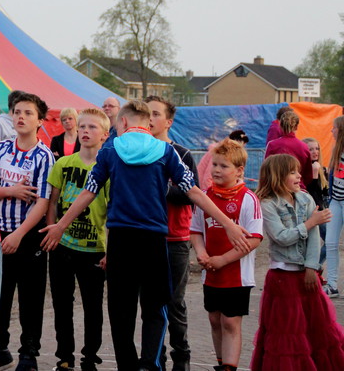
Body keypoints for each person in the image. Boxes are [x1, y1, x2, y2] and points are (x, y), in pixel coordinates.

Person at [40, 99, 251, 371]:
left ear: (123, 122)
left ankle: (127, 366)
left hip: (120, 241)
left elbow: (88, 192)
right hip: (153, 241)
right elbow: (194, 192)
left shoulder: (110, 150)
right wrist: (228, 223)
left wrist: (61, 226)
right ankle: (150, 365)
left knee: (120, 311)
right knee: (155, 309)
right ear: (148, 123)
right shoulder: (165, 151)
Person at [250, 154, 344, 371]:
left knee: (316, 329)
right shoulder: (268, 204)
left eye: (298, 172)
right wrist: (310, 223)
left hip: (306, 275)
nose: (299, 176)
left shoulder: (305, 199)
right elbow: (281, 237)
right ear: (278, 176)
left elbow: (314, 238)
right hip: (282, 278)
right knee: (287, 333)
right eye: (293, 172)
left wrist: (311, 267)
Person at [41, 107, 110, 371]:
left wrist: (109, 250)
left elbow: (112, 212)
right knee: (61, 304)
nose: (85, 131)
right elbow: (52, 201)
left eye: (92, 127)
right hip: (63, 246)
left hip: (94, 248)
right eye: (82, 126)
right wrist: (52, 232)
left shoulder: (108, 169)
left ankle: (90, 358)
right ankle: (64, 357)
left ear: (104, 135)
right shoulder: (63, 164)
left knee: (93, 306)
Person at [190, 139, 263, 371]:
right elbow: (195, 230)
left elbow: (254, 239)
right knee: (214, 319)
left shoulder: (249, 198)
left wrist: (222, 260)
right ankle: (221, 362)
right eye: (215, 165)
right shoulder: (204, 196)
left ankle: (229, 367)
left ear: (239, 170)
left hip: (237, 275)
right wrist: (201, 252)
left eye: (224, 166)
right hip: (211, 272)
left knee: (230, 321)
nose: (217, 170)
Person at [0, 92, 54, 371]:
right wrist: (10, 191)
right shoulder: (1, 149)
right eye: (17, 111)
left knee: (30, 298)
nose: (21, 117)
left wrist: (19, 234)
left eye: (28, 113)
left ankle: (29, 354)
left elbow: (42, 201)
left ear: (40, 120)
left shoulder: (44, 156)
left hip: (28, 236)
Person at [145, 95, 196, 371]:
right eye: (147, 113)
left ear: (169, 122)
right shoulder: (138, 152)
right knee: (151, 303)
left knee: (174, 302)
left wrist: (161, 189)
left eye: (156, 114)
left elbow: (191, 193)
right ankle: (156, 358)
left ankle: (181, 357)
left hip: (175, 238)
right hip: (146, 237)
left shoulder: (182, 154)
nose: (150, 118)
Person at [264, 110, 313, 190]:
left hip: (277, 188)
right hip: (298, 187)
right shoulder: (304, 146)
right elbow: (308, 175)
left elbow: (266, 169)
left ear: (280, 126)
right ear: (296, 127)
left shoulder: (272, 145)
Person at [323, 115, 344, 298]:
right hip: (335, 201)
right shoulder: (336, 149)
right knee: (330, 242)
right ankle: (332, 285)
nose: (332, 131)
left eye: (334, 128)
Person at [304, 136, 329, 267]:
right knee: (327, 242)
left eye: (317, 148)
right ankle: (313, 267)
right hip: (310, 211)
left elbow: (324, 193)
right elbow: (309, 193)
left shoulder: (322, 169)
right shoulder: (303, 170)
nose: (315, 152)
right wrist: (314, 174)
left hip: (321, 210)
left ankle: (314, 267)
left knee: (330, 242)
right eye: (311, 149)